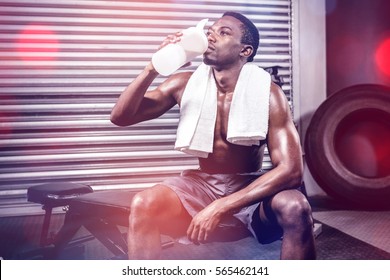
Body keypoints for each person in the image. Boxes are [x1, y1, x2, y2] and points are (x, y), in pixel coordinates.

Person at [110, 11, 316, 260]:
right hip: (201, 186)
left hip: (251, 186)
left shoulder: (269, 94)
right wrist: (154, 66)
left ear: (245, 51)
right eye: (211, 31)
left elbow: (292, 170)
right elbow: (120, 117)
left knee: (296, 206)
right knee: (144, 202)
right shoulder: (183, 83)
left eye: (224, 32)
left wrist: (221, 206)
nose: (211, 36)